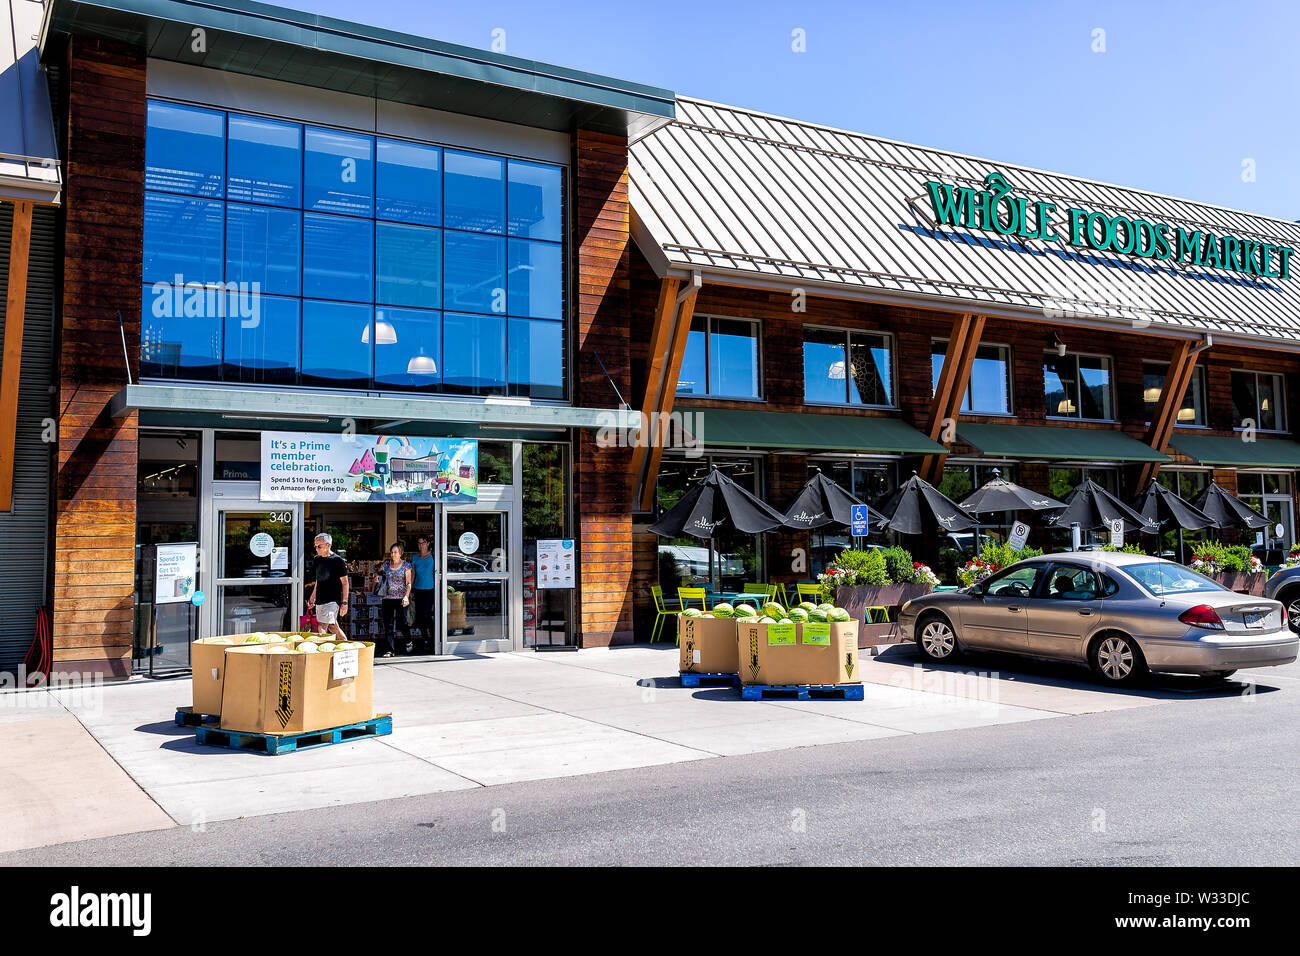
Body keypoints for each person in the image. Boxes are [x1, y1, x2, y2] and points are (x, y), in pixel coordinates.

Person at [307, 532, 350, 641]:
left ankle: (322, 653)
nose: (317, 549)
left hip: (332, 600)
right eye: (315, 546)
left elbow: (345, 582)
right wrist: (313, 596)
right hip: (320, 599)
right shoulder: (317, 559)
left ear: (328, 545)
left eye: (319, 546)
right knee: (333, 627)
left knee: (322, 626)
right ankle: (347, 646)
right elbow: (319, 580)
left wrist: (344, 602)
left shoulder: (337, 561)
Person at [373, 542, 414, 658]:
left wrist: (406, 596)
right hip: (387, 597)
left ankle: (408, 640)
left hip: (401, 598)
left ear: (400, 553)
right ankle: (390, 650)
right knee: (388, 625)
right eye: (391, 552)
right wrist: (376, 578)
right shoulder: (386, 564)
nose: (393, 554)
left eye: (395, 552)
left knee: (403, 623)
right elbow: (377, 572)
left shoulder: (406, 565)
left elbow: (409, 583)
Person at [409, 535, 437, 653]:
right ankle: (425, 638)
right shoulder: (415, 557)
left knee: (426, 614)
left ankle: (434, 637)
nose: (421, 545)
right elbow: (413, 574)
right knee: (420, 615)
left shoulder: (434, 556)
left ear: (428, 543)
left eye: (423, 543)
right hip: (418, 589)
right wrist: (409, 590)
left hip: (430, 589)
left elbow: (438, 573)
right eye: (419, 543)